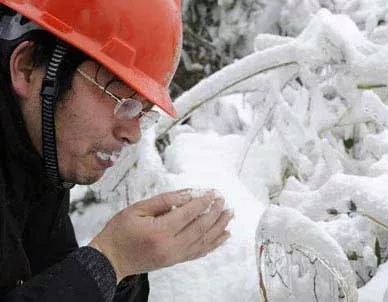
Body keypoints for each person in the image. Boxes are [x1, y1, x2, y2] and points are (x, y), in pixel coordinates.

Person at [0, 0, 233, 301]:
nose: (133, 133)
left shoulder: (40, 152)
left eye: (144, 113)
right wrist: (111, 260)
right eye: (122, 101)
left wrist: (122, 271)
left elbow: (50, 275)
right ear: (28, 67)